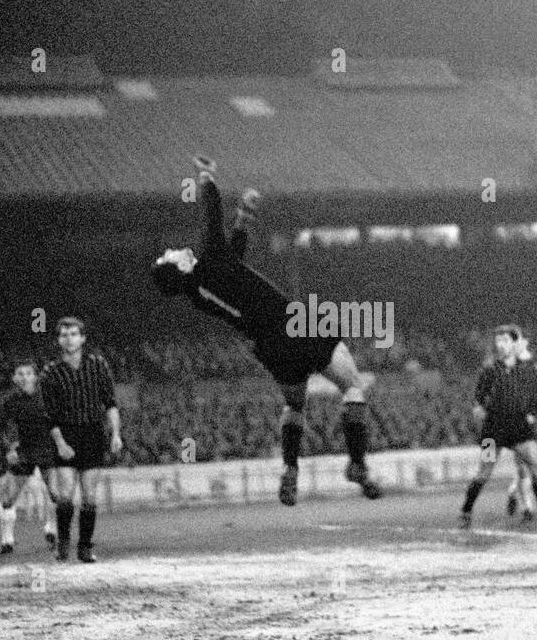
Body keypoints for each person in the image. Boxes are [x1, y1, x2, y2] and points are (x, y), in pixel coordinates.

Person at [151, 157, 382, 507]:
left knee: (294, 405)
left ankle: (290, 467)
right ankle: (356, 463)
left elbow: (235, 260)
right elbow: (212, 215)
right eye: (167, 256)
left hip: (268, 346)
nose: (171, 250)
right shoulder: (210, 263)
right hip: (293, 321)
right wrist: (208, 177)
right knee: (352, 387)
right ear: (178, 267)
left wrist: (245, 216)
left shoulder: (199, 293)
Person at [459, 325, 537, 530]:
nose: (500, 345)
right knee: (483, 471)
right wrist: (480, 409)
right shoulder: (490, 368)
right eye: (498, 341)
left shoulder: (528, 368)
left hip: (519, 427)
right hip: (493, 429)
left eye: (505, 340)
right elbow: (479, 397)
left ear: (515, 343)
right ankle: (466, 511)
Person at [40, 317, 122, 563]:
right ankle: (63, 541)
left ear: (83, 338)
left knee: (89, 496)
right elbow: (48, 413)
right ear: (59, 340)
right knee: (65, 494)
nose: (69, 339)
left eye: (74, 334)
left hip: (93, 433)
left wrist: (115, 433)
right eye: (64, 335)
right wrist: (60, 443)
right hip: (65, 433)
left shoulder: (98, 364)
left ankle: (85, 547)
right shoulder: (51, 371)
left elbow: (110, 403)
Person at [0, 359, 58, 555]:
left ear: (35, 377)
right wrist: (9, 448)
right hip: (24, 451)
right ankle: (7, 541)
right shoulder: (10, 401)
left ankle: (51, 528)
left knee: (56, 493)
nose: (24, 377)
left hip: (48, 448)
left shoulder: (47, 397)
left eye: (28, 373)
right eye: (20, 374)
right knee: (7, 497)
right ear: (14, 378)